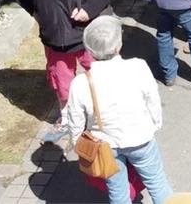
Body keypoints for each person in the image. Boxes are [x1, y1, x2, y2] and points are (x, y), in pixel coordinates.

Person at [64, 16, 172, 204]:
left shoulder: (81, 83)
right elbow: (152, 99)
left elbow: (75, 120)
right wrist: (155, 124)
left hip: (105, 145)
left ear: (89, 50)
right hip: (141, 139)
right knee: (157, 183)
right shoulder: (138, 66)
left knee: (118, 192)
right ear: (118, 45)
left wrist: (77, 143)